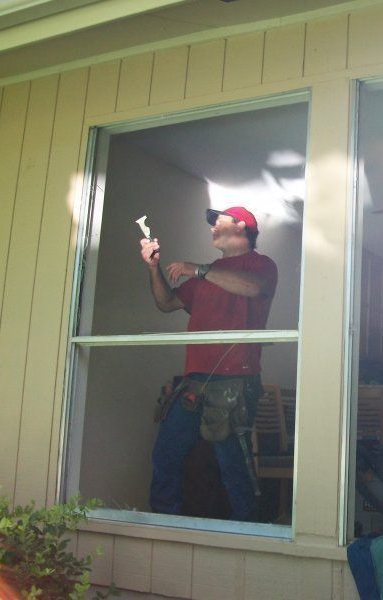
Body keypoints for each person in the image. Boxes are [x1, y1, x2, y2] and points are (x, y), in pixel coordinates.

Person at [139, 206, 278, 521]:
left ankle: (247, 533)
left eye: (219, 221)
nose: (213, 226)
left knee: (233, 465)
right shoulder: (208, 273)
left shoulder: (260, 265)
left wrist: (198, 270)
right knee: (166, 455)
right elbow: (166, 303)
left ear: (242, 226)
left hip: (234, 382)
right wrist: (153, 267)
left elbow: (254, 287)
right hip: (194, 382)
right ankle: (164, 525)